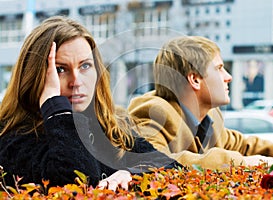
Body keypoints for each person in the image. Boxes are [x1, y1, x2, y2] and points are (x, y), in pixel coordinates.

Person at [0, 16, 179, 191]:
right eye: (60, 69)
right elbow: (77, 184)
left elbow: (175, 170)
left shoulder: (111, 128)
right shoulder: (12, 138)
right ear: (34, 77)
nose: (76, 81)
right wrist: (55, 108)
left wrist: (131, 174)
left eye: (85, 66)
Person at [128, 36, 273, 170]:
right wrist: (240, 163)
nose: (228, 77)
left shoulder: (211, 117)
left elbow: (243, 145)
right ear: (195, 79)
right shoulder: (153, 114)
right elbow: (153, 160)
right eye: (219, 69)